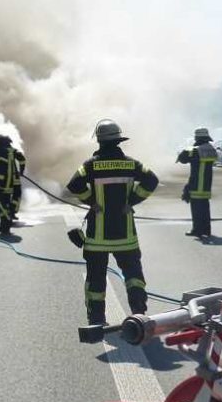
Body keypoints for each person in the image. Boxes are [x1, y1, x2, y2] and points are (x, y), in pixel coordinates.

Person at [67, 119, 159, 325]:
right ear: (119, 140)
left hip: (97, 238)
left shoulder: (90, 165)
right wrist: (132, 201)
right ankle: (139, 315)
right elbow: (151, 180)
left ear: (99, 141)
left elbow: (74, 184)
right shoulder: (131, 163)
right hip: (125, 236)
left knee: (96, 279)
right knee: (133, 276)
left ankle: (97, 320)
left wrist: (92, 202)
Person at [177, 127, 218, 239]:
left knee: (196, 209)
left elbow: (182, 158)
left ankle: (197, 230)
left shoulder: (195, 150)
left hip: (196, 183)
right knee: (205, 208)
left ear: (197, 137)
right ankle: (206, 230)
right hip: (206, 185)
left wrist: (189, 148)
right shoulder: (211, 149)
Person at [0, 134, 15, 235]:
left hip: (3, 185)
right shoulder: (5, 152)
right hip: (7, 184)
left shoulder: (1, 154)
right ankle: (3, 225)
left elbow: (0, 172)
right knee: (2, 204)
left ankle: (6, 222)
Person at [11, 146, 26, 220]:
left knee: (3, 197)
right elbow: (22, 160)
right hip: (14, 179)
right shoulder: (12, 151)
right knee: (16, 195)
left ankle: (7, 214)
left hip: (1, 181)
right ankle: (12, 212)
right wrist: (21, 171)